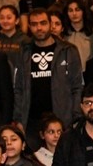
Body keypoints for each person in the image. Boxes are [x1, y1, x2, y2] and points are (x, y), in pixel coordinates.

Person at [14, 8, 84, 140]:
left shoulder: (68, 50)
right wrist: (18, 119)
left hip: (62, 121)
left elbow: (77, 87)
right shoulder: (24, 51)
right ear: (29, 26)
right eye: (34, 24)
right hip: (31, 122)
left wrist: (76, 117)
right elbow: (18, 88)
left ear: (51, 24)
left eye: (43, 23)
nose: (39, 28)